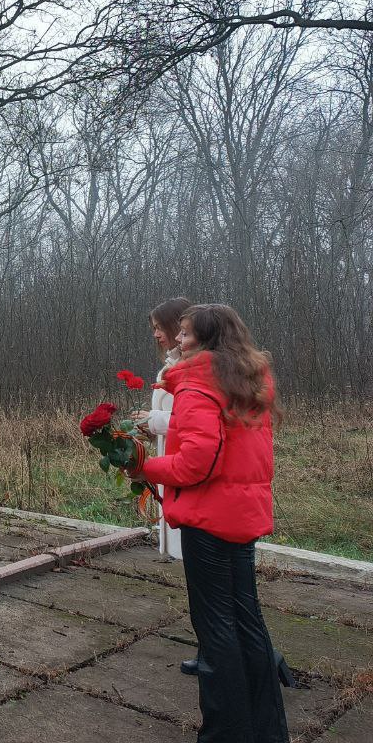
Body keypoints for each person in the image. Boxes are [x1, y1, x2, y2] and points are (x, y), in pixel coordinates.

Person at [129, 304, 290, 743]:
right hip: (242, 517)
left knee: (216, 630)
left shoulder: (198, 386)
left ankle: (224, 734)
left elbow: (196, 464)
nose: (177, 341)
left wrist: (146, 468)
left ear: (204, 340)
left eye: (184, 334)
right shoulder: (246, 381)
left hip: (210, 522)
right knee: (248, 622)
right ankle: (268, 732)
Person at [132, 296, 191, 562]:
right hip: (170, 459)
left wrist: (155, 420)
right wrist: (149, 429)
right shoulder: (168, 368)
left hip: (187, 462)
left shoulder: (195, 368)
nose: (155, 334)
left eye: (159, 327)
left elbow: (198, 420)